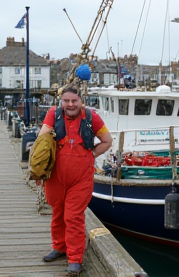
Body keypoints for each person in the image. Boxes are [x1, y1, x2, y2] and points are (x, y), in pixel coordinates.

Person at [38, 83, 112, 275]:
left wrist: (91, 155)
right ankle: (59, 247)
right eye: (66, 101)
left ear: (81, 101)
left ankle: (75, 258)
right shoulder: (53, 115)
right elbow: (42, 140)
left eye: (74, 101)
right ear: (61, 101)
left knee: (73, 217)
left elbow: (107, 141)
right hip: (56, 177)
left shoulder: (91, 117)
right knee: (58, 213)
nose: (70, 104)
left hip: (81, 178)